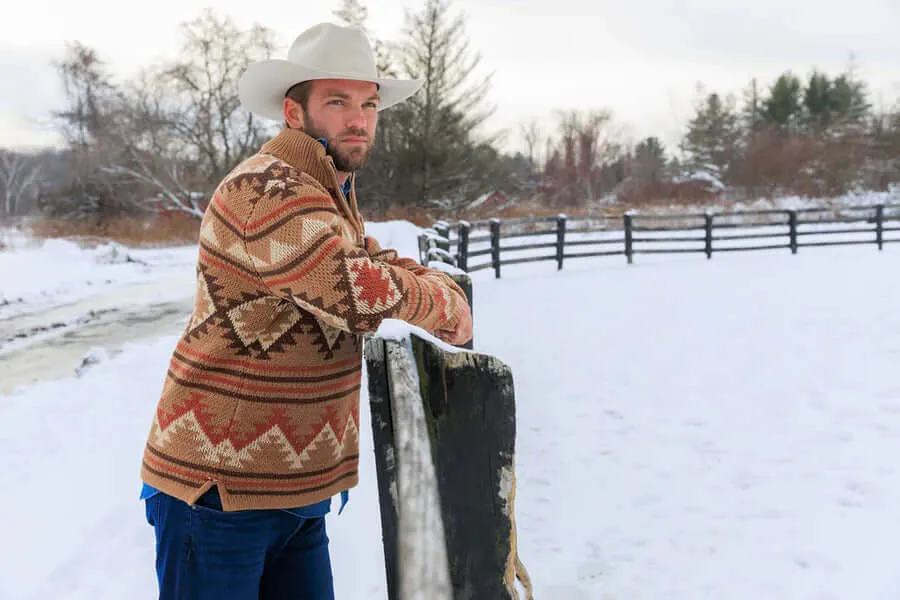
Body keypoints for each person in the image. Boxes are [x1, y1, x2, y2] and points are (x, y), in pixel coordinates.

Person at [138, 22, 473, 600]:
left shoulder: (323, 190)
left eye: (369, 104)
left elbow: (369, 258)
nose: (359, 118)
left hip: (295, 492)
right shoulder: (264, 190)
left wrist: (423, 281)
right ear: (295, 113)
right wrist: (442, 301)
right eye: (338, 101)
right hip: (221, 489)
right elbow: (351, 288)